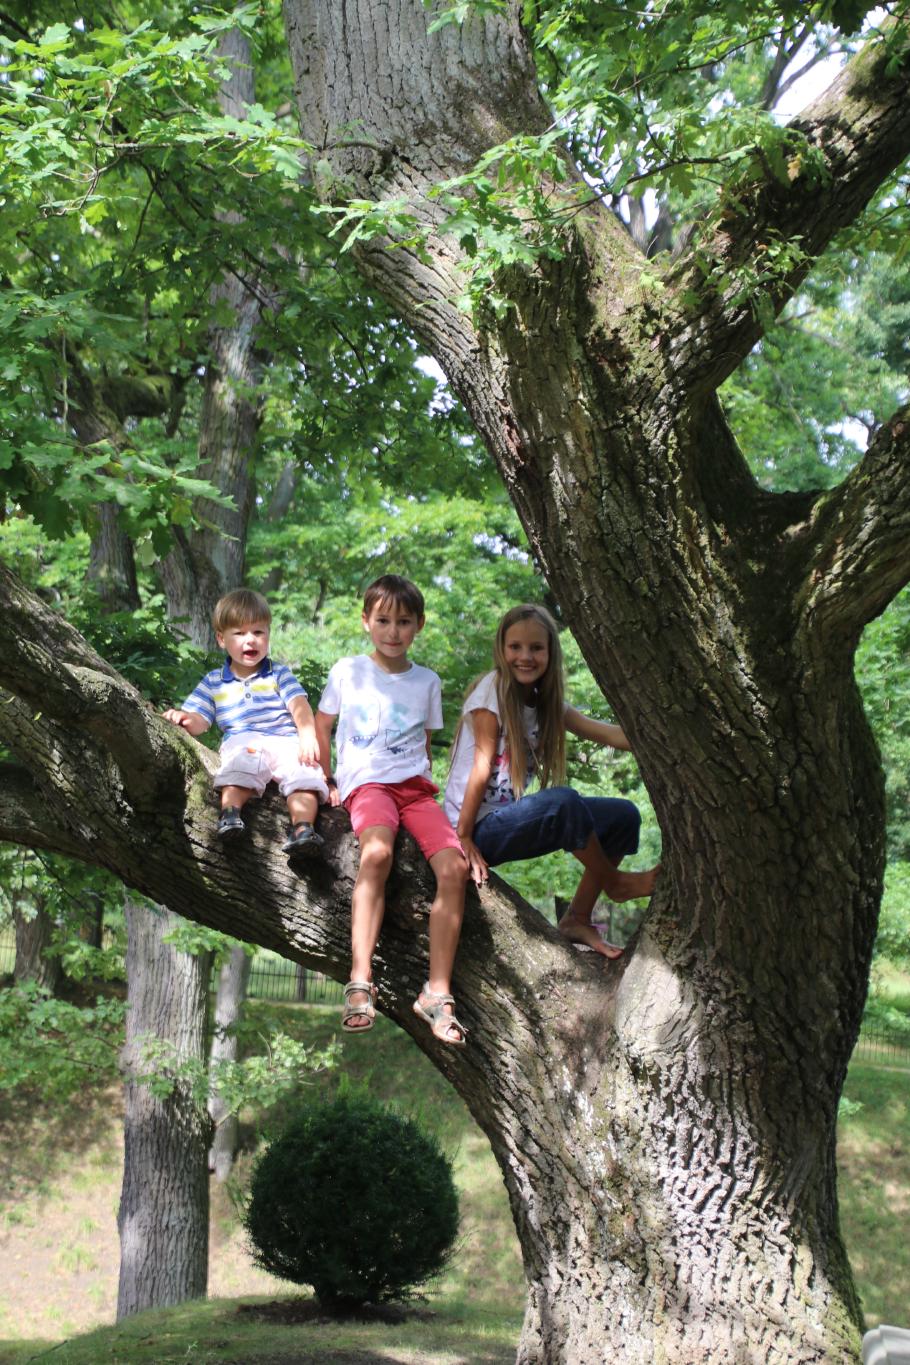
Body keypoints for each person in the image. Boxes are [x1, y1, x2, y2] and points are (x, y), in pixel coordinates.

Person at [444, 604, 658, 959]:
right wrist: (463, 836)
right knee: (562, 802)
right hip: (473, 829)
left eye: (535, 648)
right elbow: (482, 763)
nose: (525, 657)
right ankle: (615, 883)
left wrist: (666, 729)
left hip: (508, 822)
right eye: (515, 647)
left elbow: (613, 736)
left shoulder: (547, 703)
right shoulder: (491, 690)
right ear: (502, 649)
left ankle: (577, 917)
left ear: (550, 653)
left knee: (622, 816)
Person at [315, 574, 469, 1045]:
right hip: (367, 783)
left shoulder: (427, 681)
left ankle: (436, 992)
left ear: (419, 625)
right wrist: (326, 778)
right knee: (377, 854)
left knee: (454, 868)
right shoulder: (347, 670)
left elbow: (424, 741)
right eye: (382, 620)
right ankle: (360, 980)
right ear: (366, 622)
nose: (393, 631)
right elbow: (322, 726)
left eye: (404, 622)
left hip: (416, 790)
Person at [163, 588, 328, 858]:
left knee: (305, 775)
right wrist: (185, 718)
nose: (249, 640)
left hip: (285, 740)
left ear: (268, 636)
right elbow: (200, 721)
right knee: (239, 765)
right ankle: (230, 815)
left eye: (258, 632)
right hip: (243, 739)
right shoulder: (214, 682)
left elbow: (299, 705)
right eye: (239, 633)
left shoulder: (278, 674)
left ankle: (302, 828)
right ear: (221, 639)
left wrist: (307, 734)